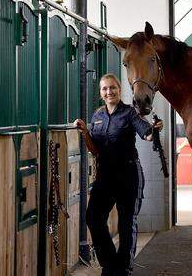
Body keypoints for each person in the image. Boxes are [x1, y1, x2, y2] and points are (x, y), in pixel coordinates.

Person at [74, 73, 163, 276]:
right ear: (100, 93)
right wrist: (85, 133)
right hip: (105, 175)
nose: (109, 92)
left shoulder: (130, 113)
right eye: (105, 89)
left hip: (128, 174)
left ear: (119, 89)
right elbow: (95, 150)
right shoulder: (97, 116)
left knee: (126, 222)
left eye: (112, 88)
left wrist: (155, 129)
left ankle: (123, 269)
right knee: (93, 218)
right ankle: (110, 263)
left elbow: (147, 133)